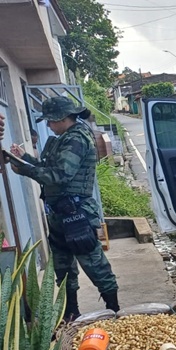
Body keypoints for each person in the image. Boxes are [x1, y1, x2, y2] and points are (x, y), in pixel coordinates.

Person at [7, 96, 119, 320]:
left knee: (93, 262)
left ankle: (114, 309)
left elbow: (59, 176)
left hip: (78, 214)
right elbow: (49, 166)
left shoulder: (76, 139)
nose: (48, 125)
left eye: (50, 121)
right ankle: (71, 312)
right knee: (63, 266)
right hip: (59, 213)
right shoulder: (62, 138)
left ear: (62, 118)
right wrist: (25, 158)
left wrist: (25, 170)